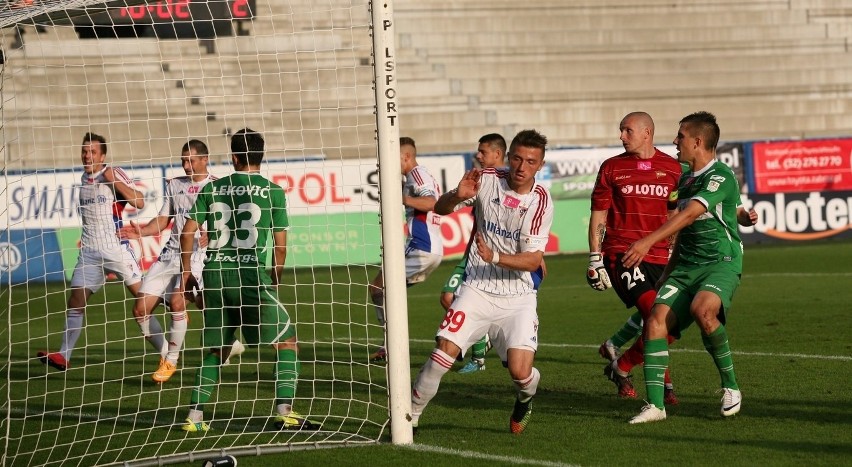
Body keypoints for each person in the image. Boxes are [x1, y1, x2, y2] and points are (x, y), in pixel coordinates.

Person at [411, 129, 552, 434]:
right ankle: (410, 417)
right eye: (517, 158)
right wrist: (456, 196)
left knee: (520, 373)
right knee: (443, 351)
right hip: (477, 287)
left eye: (530, 161)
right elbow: (441, 208)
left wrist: (496, 257)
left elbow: (532, 260)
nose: (521, 167)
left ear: (540, 165)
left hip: (517, 296)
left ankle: (526, 399)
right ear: (508, 156)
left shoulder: (540, 202)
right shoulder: (487, 178)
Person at [178, 129, 318, 432]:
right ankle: (284, 410)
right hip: (251, 276)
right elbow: (280, 246)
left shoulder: (212, 188)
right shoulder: (274, 192)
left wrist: (187, 272)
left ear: (234, 157)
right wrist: (275, 277)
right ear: (260, 156)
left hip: (215, 275)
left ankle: (194, 418)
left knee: (216, 347)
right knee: (287, 341)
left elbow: (187, 232)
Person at [623, 111, 754, 424]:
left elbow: (688, 216)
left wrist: (645, 243)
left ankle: (731, 387)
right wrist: (669, 271)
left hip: (719, 262)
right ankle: (656, 406)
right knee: (655, 321)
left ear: (698, 142)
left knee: (703, 310)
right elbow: (685, 230)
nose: (674, 141)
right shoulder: (685, 178)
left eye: (680, 136)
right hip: (685, 267)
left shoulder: (720, 174)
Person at [117, 140, 243, 384]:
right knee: (140, 310)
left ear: (205, 160)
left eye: (190, 160)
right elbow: (164, 220)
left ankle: (171, 361)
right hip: (169, 254)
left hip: (199, 257)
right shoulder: (175, 185)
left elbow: (234, 224)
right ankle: (217, 344)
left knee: (179, 302)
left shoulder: (219, 187)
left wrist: (215, 233)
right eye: (183, 160)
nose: (186, 165)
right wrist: (140, 232)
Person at [586, 112, 683, 402]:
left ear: (646, 133)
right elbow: (598, 216)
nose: (621, 136)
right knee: (657, 317)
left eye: (627, 130)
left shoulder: (672, 168)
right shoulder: (611, 168)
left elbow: (672, 213)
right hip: (622, 254)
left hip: (660, 256)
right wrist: (595, 257)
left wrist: (672, 249)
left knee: (670, 325)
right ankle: (657, 384)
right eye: (621, 130)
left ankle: (623, 366)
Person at [37, 132, 146, 371]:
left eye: (93, 151)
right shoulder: (83, 179)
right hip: (90, 253)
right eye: (84, 151)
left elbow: (139, 201)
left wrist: (112, 180)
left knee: (145, 301)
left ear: (103, 155)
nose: (87, 155)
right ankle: (64, 355)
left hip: (116, 250)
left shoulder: (113, 172)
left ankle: (168, 351)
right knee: (76, 300)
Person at [369, 137, 443, 363]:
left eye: (395, 158)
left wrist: (400, 198)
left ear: (407, 157)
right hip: (429, 248)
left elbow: (431, 203)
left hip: (421, 246)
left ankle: (391, 344)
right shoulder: (415, 176)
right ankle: (390, 344)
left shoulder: (417, 174)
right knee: (387, 293)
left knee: (378, 288)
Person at [440, 133, 507, 374]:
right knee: (448, 297)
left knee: (454, 299)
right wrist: (457, 195)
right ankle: (479, 348)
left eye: (483, 151)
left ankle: (479, 351)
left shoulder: (510, 182)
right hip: (474, 256)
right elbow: (444, 206)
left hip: (500, 261)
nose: (477, 155)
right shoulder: (478, 181)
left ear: (497, 154)